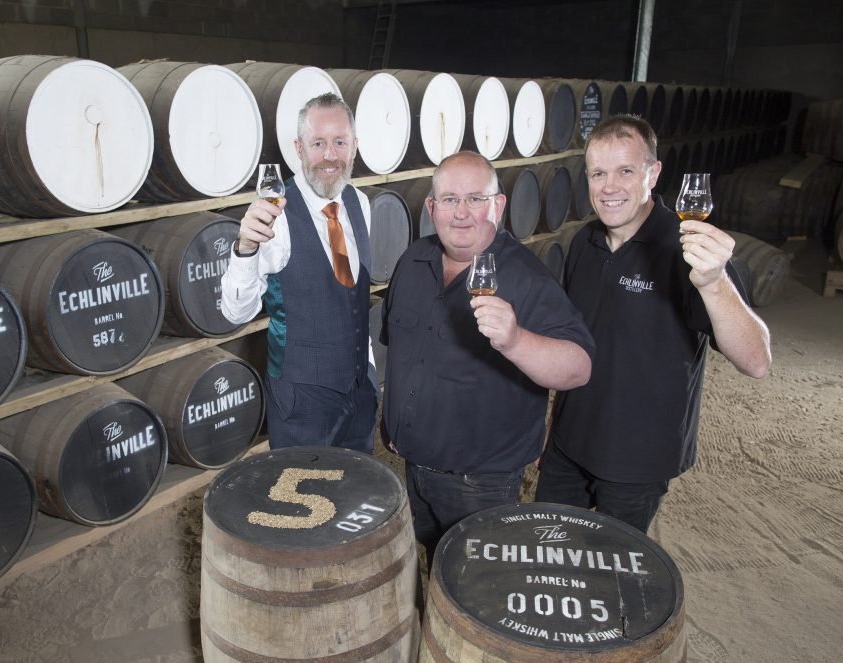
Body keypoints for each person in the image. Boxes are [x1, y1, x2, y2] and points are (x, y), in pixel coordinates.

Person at [534, 114, 772, 533]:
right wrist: (553, 429)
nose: (609, 187)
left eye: (625, 171)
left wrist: (715, 283)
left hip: (635, 460)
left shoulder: (689, 248)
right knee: (549, 559)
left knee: (613, 576)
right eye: (598, 173)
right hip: (568, 446)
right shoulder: (583, 244)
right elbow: (575, 346)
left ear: (653, 173)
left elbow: (756, 360)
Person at [379, 151, 595, 565]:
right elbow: (403, 353)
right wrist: (393, 422)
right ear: (431, 208)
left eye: (476, 199)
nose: (461, 214)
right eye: (449, 200)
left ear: (498, 205)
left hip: (481, 482)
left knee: (477, 585)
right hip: (413, 465)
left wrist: (516, 341)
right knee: (429, 560)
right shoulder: (413, 262)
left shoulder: (525, 277)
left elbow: (578, 366)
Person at [220, 93, 377, 453]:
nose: (330, 156)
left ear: (354, 146)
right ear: (299, 148)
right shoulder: (275, 214)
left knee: (356, 497)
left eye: (340, 142)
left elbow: (352, 299)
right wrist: (245, 247)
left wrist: (367, 370)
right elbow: (234, 313)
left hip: (359, 393)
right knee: (303, 501)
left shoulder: (360, 203)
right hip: (302, 404)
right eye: (317, 143)